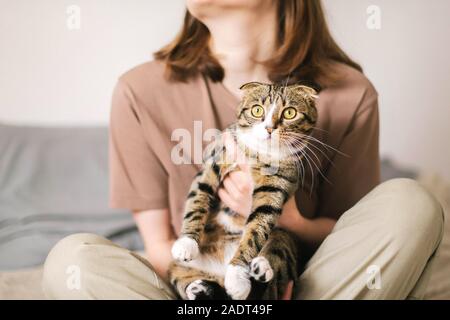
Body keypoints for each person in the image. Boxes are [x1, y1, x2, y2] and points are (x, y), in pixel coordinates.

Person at [43, 0, 444, 299]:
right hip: (195, 289)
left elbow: (349, 233)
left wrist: (286, 220)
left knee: (410, 205)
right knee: (72, 261)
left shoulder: (350, 93)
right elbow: (162, 249)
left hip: (297, 285)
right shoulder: (139, 90)